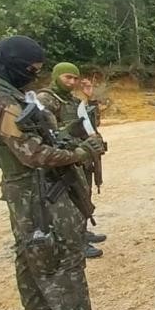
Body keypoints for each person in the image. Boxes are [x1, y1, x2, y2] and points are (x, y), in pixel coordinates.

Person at [0, 36, 125, 310]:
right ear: (13, 64)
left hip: (23, 189)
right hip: (37, 189)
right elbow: (32, 153)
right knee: (64, 257)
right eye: (31, 69)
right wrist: (79, 152)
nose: (33, 75)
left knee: (31, 253)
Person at [36, 62, 106, 260]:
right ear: (56, 76)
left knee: (83, 195)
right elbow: (48, 132)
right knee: (72, 200)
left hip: (81, 156)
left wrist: (90, 99)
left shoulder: (73, 101)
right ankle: (77, 241)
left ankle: (82, 232)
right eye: (68, 77)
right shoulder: (46, 100)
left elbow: (92, 124)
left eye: (75, 78)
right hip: (66, 158)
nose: (72, 82)